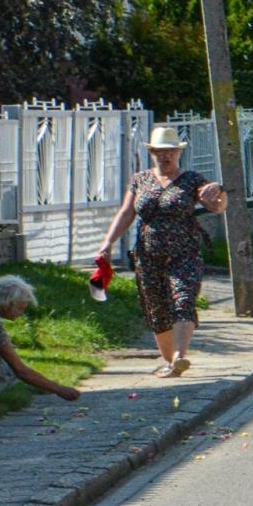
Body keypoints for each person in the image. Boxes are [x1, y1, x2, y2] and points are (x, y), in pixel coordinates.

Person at [94, 126, 227, 378]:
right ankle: (169, 362)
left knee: (183, 299)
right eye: (159, 152)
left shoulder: (192, 180)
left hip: (184, 252)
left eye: (170, 151)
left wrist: (219, 191)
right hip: (148, 255)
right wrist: (108, 242)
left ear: (178, 153)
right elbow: (126, 212)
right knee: (156, 307)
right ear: (152, 153)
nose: (165, 156)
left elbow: (216, 206)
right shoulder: (140, 180)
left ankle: (180, 356)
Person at [0, 275, 80, 402]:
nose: (22, 313)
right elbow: (20, 371)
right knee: (5, 375)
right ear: (7, 305)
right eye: (21, 308)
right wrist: (59, 389)